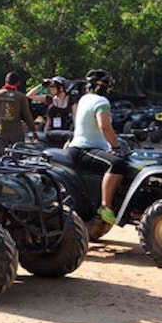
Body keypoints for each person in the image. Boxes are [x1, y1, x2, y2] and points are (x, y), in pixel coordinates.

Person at [66, 69, 128, 225]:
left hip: (82, 148)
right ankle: (105, 206)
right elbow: (104, 127)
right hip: (84, 149)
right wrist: (116, 146)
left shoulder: (84, 99)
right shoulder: (101, 102)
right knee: (117, 163)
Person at [0, 70, 38, 145]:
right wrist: (33, 130)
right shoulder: (21, 96)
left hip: (1, 132)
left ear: (6, 80)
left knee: (1, 155)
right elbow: (26, 115)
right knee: (16, 154)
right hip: (16, 133)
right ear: (18, 83)